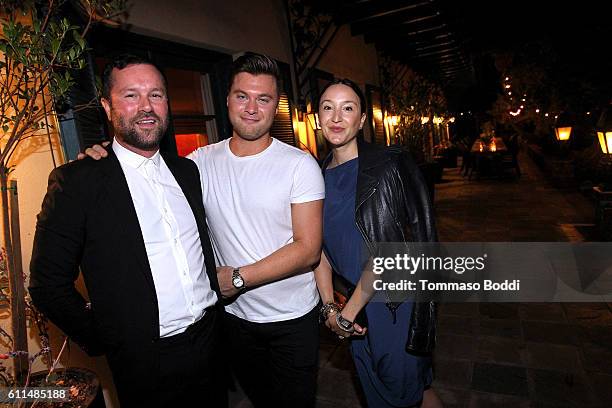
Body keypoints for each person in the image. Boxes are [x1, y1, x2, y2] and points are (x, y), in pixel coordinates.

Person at [81, 52, 325, 407]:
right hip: (233, 320)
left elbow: (308, 249)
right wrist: (101, 156)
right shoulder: (196, 163)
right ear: (228, 99)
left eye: (264, 99)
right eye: (243, 96)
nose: (252, 108)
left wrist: (237, 279)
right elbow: (141, 167)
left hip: (291, 318)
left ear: (276, 106)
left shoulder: (299, 165)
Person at [29, 54, 227, 407]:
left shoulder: (187, 172)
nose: (146, 107)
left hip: (211, 343)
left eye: (156, 94)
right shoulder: (78, 182)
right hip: (146, 362)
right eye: (131, 95)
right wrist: (107, 337)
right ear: (107, 106)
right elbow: (47, 285)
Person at [313, 79, 443, 407]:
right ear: (317, 118)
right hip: (352, 303)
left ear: (362, 120)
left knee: (403, 395)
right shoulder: (313, 173)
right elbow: (317, 247)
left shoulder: (392, 164)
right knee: (389, 393)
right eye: (328, 107)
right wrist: (331, 306)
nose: (337, 117)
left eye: (348, 108)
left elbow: (402, 246)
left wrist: (346, 315)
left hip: (394, 303)